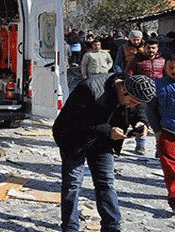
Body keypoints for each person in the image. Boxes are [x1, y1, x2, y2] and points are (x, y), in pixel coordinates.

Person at [52, 73, 155, 232]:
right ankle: (70, 228)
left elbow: (139, 107)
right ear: (123, 90)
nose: (133, 105)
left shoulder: (134, 90)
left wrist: (141, 121)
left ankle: (112, 228)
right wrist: (107, 131)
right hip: (73, 138)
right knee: (72, 185)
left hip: (103, 140)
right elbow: (75, 120)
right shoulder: (91, 88)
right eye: (132, 102)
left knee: (106, 183)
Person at [125, 38, 166, 155]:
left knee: (160, 122)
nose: (151, 50)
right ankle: (140, 144)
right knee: (141, 119)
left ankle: (160, 148)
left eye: (153, 48)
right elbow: (129, 75)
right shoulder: (136, 60)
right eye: (148, 48)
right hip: (141, 95)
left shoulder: (162, 61)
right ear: (144, 48)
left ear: (157, 49)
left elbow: (167, 77)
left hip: (158, 95)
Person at [151, 55, 175, 211]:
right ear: (165, 68)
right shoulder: (157, 85)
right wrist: (157, 131)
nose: (174, 71)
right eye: (171, 67)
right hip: (167, 132)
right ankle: (174, 198)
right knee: (171, 168)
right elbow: (150, 110)